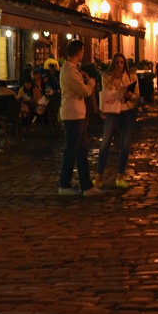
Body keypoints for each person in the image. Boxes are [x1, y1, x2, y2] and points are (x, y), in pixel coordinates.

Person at [57, 40, 103, 197]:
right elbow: (85, 92)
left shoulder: (73, 69)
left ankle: (86, 186)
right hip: (72, 115)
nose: (83, 54)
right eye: (82, 51)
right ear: (78, 52)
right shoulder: (69, 71)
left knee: (82, 151)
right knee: (71, 150)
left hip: (78, 114)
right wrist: (91, 81)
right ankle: (64, 184)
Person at [96, 53, 139, 188]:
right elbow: (106, 93)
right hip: (112, 110)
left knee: (125, 144)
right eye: (117, 63)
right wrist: (114, 80)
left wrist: (130, 95)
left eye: (122, 62)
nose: (120, 65)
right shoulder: (106, 76)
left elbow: (137, 97)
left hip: (127, 110)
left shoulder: (131, 76)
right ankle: (99, 177)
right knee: (105, 142)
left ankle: (120, 176)